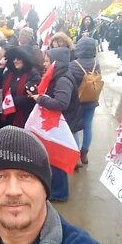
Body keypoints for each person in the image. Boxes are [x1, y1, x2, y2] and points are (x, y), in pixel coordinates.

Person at [30, 47, 83, 201]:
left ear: (56, 62)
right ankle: (56, 189)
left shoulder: (63, 79)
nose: (44, 64)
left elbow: (61, 103)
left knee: (57, 159)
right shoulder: (58, 75)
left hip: (63, 124)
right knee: (53, 159)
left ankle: (60, 193)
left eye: (47, 61)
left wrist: (39, 99)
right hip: (59, 122)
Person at [69, 37, 100, 165]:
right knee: (88, 126)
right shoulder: (96, 63)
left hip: (77, 101)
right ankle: (84, 153)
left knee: (74, 127)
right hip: (92, 99)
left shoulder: (73, 64)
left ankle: (76, 157)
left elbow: (70, 84)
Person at [0, 46, 41, 128]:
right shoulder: (10, 73)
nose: (15, 61)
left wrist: (13, 101)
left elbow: (33, 97)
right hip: (8, 115)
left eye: (18, 58)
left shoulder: (33, 74)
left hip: (23, 116)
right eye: (13, 59)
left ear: (24, 59)